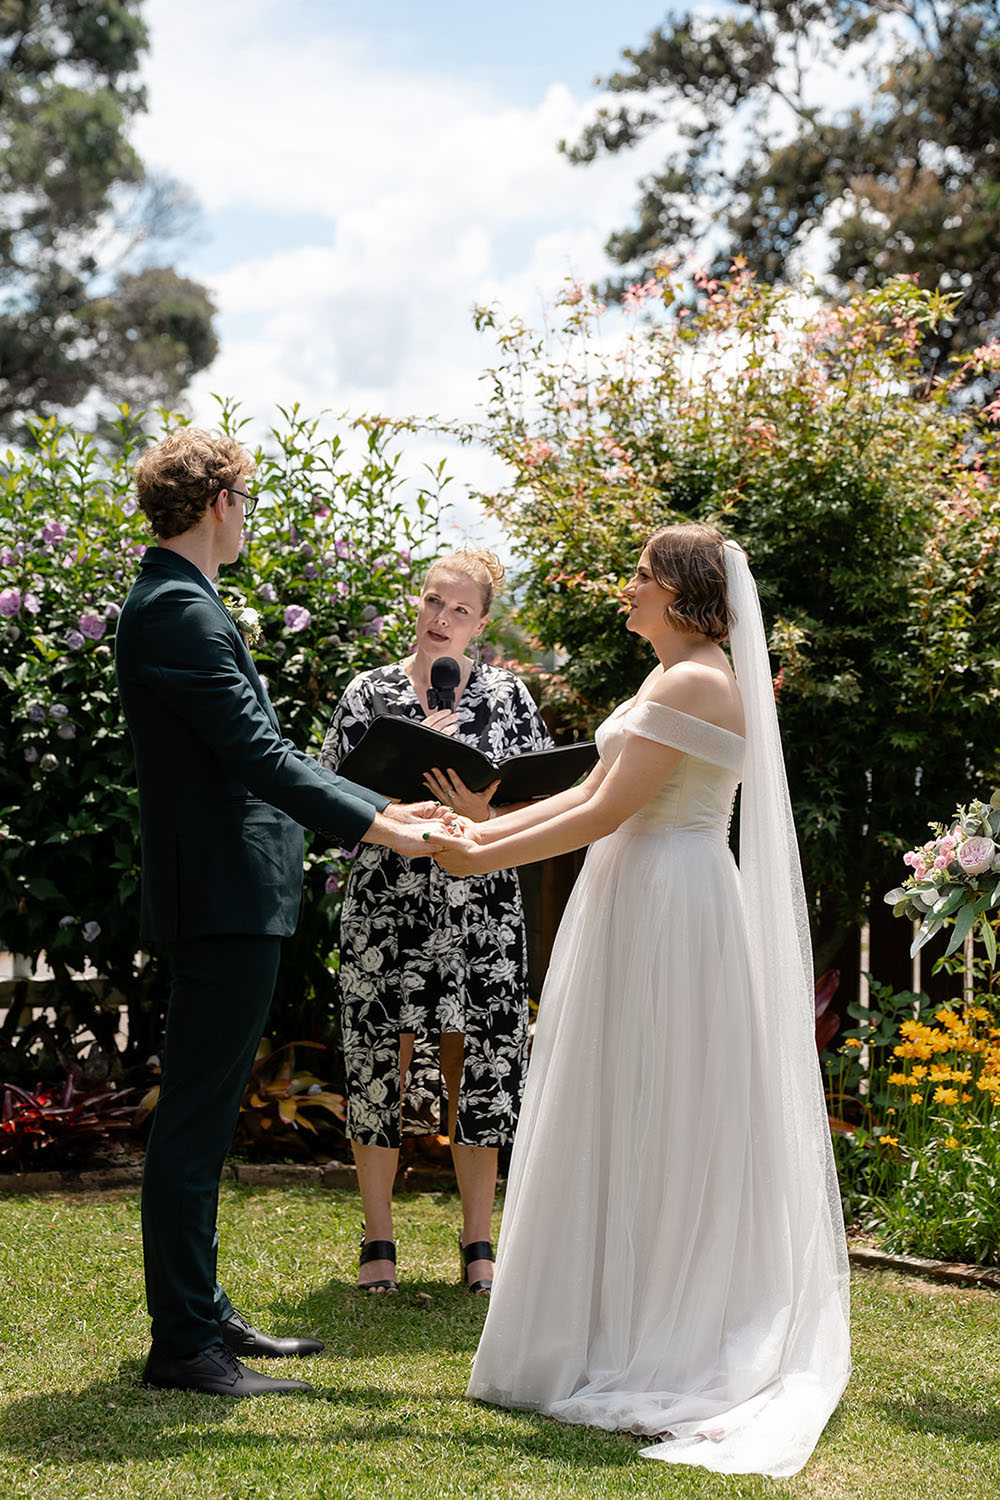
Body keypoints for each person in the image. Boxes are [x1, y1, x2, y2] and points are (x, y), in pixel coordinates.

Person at [434, 523, 851, 1478]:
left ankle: (663, 1328)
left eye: (640, 576)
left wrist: (476, 857)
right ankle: (609, 1315)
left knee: (661, 1102)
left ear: (682, 591)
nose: (627, 590)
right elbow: (591, 787)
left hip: (671, 901)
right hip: (643, 891)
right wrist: (484, 823)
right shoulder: (671, 680)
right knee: (624, 1099)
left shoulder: (699, 679)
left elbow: (605, 813)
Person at [114, 428, 457, 1398]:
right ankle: (182, 1345)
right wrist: (395, 835)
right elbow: (259, 761)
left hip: (232, 894)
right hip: (221, 897)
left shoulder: (187, 605)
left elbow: (263, 749)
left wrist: (389, 809)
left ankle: (202, 1308)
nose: (249, 516)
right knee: (192, 1123)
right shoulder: (178, 611)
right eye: (247, 499)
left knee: (207, 1117)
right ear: (218, 502)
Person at [320, 548, 553, 1295]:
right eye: (431, 603)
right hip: (386, 908)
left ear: (481, 625)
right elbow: (329, 800)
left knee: (477, 1062)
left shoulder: (510, 699)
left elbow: (542, 800)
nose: (440, 620)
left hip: (479, 911)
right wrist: (404, 758)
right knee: (377, 1061)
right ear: (415, 606)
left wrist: (487, 814)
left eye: (459, 610)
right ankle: (378, 1239)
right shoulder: (369, 692)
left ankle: (478, 1242)